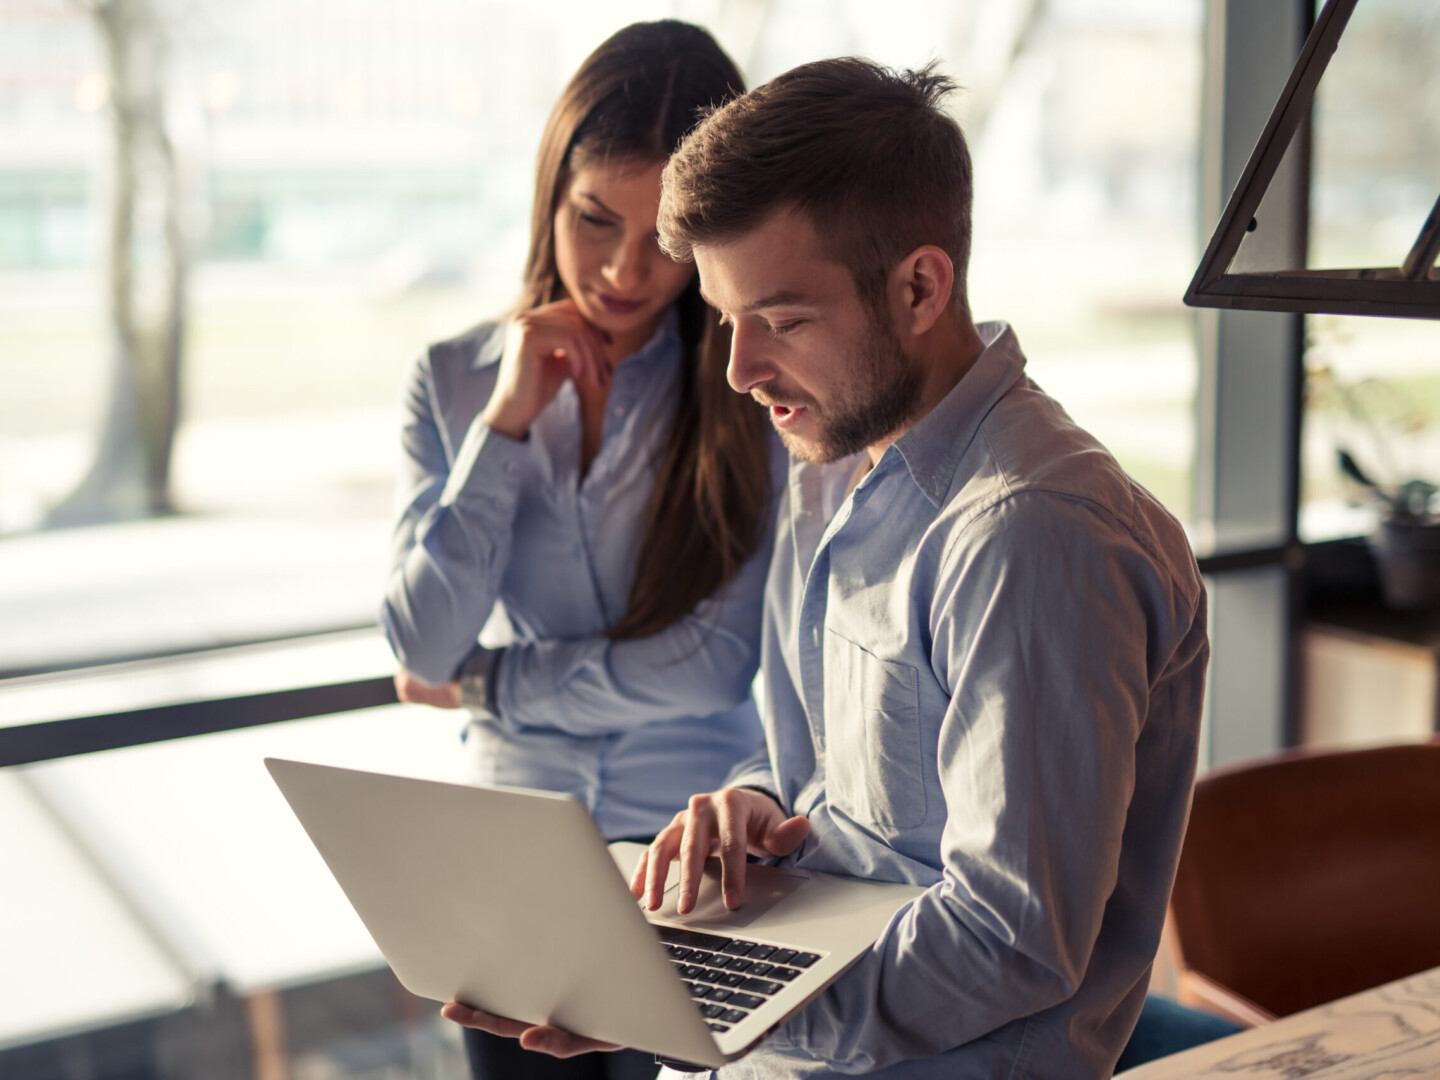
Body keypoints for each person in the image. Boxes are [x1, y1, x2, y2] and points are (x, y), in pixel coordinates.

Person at [444, 57, 1209, 1079]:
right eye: (724, 319)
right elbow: (828, 788)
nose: (740, 371)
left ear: (921, 287)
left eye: (784, 321)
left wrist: (700, 1005)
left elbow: (1010, 940)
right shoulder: (829, 470)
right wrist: (757, 809)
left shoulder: (1032, 536)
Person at [380, 21, 776, 1080]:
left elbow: (714, 664)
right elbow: (421, 638)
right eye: (594, 218)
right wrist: (505, 425)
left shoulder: (751, 393)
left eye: (664, 239)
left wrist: (490, 684)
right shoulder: (455, 379)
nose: (620, 268)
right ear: (550, 192)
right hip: (507, 858)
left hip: (687, 854)